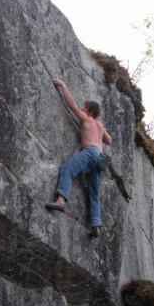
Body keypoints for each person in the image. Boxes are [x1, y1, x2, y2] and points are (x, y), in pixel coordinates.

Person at [46, 78, 112, 238]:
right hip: (100, 159)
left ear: (89, 112)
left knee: (67, 169)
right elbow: (109, 140)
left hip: (89, 153)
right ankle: (96, 225)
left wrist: (63, 85)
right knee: (94, 195)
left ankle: (60, 201)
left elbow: (71, 106)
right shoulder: (100, 125)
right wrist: (99, 135)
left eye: (85, 108)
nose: (82, 109)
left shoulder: (86, 119)